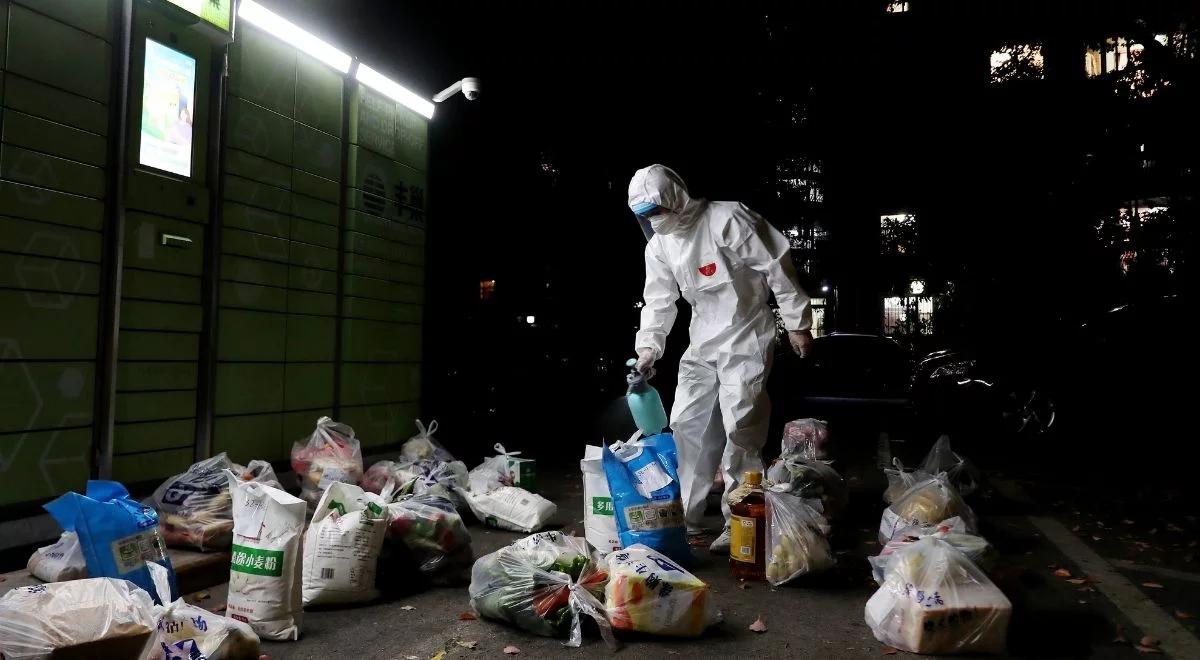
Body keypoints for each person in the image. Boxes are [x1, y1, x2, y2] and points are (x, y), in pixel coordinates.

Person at [629, 164, 813, 553]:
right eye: (643, 214)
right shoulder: (660, 245)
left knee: (740, 424)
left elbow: (776, 263)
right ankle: (686, 516)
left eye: (655, 210)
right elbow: (660, 301)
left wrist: (797, 321)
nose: (652, 220)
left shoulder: (727, 218)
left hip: (746, 331)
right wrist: (648, 348)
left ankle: (740, 517)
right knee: (685, 424)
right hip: (702, 338)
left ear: (674, 198)